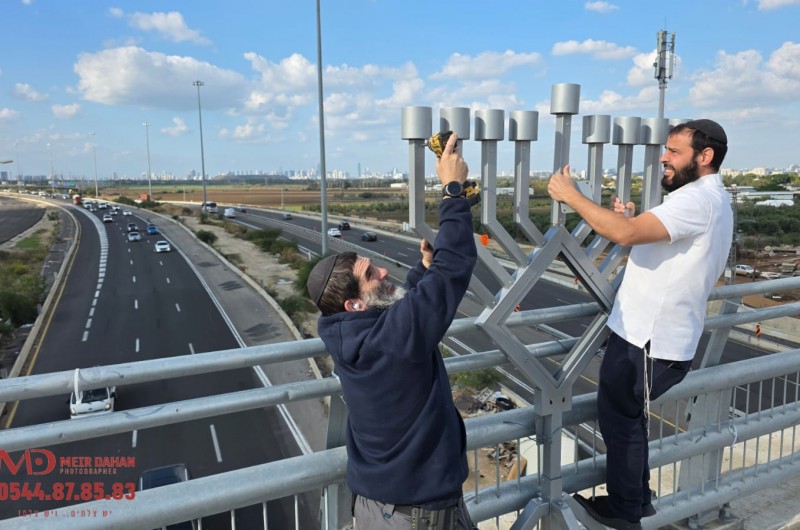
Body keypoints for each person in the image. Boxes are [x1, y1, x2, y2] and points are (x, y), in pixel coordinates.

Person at [547, 119, 733, 530]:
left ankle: (625, 509)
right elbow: (649, 241)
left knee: (620, 418)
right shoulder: (708, 199)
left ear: (705, 157)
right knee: (629, 417)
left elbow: (629, 235)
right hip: (656, 337)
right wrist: (627, 222)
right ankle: (637, 497)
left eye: (674, 151)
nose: (664, 158)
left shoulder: (697, 200)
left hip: (648, 339)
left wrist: (572, 195)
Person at [307, 133, 478, 529]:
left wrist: (421, 269)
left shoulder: (348, 331)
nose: (383, 270)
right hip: (417, 515)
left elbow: (398, 312)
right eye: (370, 275)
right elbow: (453, 272)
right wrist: (452, 193)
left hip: (378, 508)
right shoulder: (393, 338)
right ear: (353, 304)